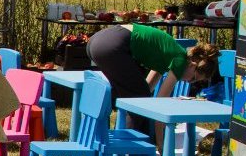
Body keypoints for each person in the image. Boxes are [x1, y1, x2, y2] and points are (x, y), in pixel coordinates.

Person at [85, 23, 219, 132]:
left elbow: (147, 90)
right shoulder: (180, 60)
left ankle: (111, 135)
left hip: (98, 41)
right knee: (137, 99)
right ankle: (129, 146)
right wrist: (160, 142)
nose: (188, 82)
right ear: (193, 65)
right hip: (112, 45)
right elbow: (160, 105)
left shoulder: (168, 55)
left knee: (136, 96)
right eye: (193, 79)